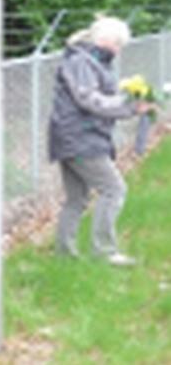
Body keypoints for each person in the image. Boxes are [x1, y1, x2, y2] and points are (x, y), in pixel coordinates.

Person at [49, 16, 153, 266]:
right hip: (80, 139)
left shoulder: (91, 61)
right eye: (118, 45)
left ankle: (64, 255)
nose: (118, 51)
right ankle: (105, 252)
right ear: (105, 40)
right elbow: (90, 100)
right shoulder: (81, 62)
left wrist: (127, 99)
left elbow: (102, 97)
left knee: (77, 199)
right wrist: (128, 106)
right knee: (114, 189)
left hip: (74, 138)